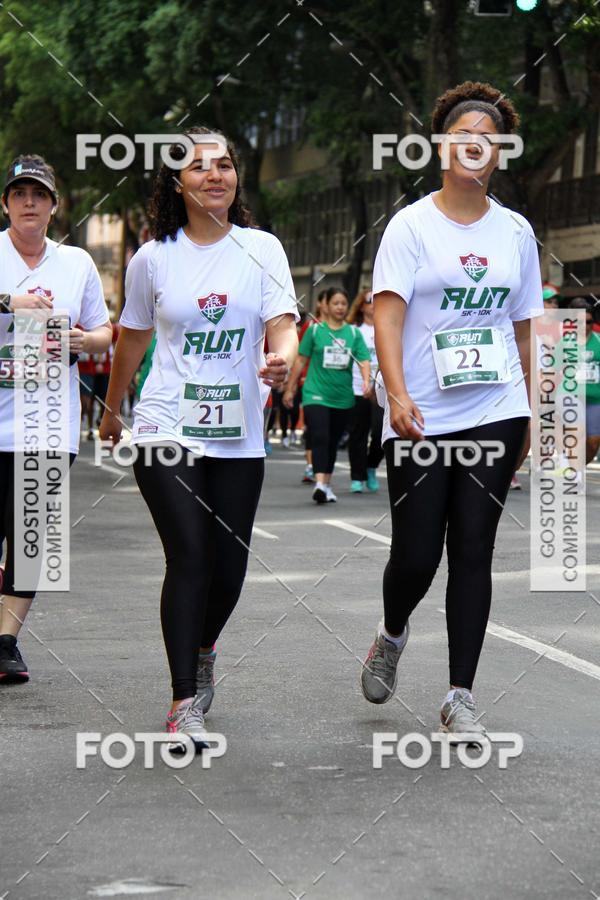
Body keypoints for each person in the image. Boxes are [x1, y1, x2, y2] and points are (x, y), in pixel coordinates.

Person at [99, 127, 298, 749]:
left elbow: (284, 326)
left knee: (230, 566)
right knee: (189, 554)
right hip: (166, 422)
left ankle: (204, 647)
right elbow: (133, 335)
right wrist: (111, 410)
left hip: (239, 428)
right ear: (176, 182)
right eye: (199, 167)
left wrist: (281, 359)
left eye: (225, 166)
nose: (214, 175)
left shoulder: (262, 248)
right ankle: (184, 698)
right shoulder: (153, 257)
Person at [359, 82, 543, 739]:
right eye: (464, 133)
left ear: (500, 153)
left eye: (489, 138)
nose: (476, 144)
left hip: (495, 406)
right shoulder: (411, 226)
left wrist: (532, 411)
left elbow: (525, 327)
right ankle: (391, 631)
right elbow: (388, 316)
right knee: (416, 555)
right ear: (441, 145)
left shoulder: (516, 232)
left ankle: (459, 695)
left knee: (473, 549)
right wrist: (397, 391)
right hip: (421, 415)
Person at [0, 154, 111, 681]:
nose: (28, 202)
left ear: (53, 206)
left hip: (48, 423)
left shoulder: (77, 264)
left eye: (38, 195)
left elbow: (105, 331)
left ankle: (6, 642)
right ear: (5, 203)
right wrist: (9, 300)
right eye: (19, 193)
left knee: (28, 538)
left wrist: (85, 340)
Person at [283, 287, 370, 503]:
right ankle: (320, 483)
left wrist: (367, 382)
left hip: (342, 397)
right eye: (335, 303)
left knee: (332, 440)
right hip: (315, 393)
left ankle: (327, 484)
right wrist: (291, 388)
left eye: (343, 303)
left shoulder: (353, 334)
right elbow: (301, 360)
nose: (340, 307)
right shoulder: (315, 331)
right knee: (320, 435)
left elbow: (364, 360)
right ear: (326, 306)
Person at [346, 288, 384, 492]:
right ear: (361, 305)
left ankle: (371, 465)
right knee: (358, 434)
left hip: (381, 389)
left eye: (377, 299)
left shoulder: (386, 326)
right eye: (369, 300)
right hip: (357, 388)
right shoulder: (354, 330)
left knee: (380, 433)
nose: (373, 304)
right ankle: (357, 476)